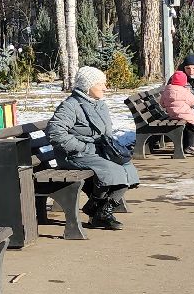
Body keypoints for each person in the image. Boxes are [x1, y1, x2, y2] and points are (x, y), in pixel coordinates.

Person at [47, 66, 140, 230]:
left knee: (127, 167)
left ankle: (97, 209)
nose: (105, 88)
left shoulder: (99, 104)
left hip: (96, 151)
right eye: (100, 84)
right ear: (87, 86)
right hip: (74, 155)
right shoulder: (70, 106)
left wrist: (112, 149)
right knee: (113, 171)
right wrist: (81, 147)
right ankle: (101, 213)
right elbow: (55, 133)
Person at [159, 60, 194, 155]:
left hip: (171, 114)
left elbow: (162, 103)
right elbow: (192, 102)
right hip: (185, 114)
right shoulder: (185, 91)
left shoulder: (167, 90)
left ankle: (186, 146)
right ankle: (191, 146)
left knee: (187, 125)